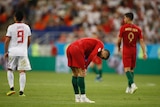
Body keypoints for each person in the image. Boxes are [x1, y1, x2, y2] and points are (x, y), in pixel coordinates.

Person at [66, 38, 110, 103]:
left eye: (102, 58)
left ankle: (77, 97)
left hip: (70, 48)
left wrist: (85, 65)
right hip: (77, 48)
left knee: (75, 73)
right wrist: (85, 67)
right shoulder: (100, 45)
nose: (101, 57)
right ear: (104, 51)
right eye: (103, 56)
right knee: (82, 73)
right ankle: (83, 97)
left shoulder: (92, 47)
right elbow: (92, 55)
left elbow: (87, 56)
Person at [117, 12, 147, 94]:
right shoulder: (138, 29)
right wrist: (144, 52)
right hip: (134, 50)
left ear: (128, 18)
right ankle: (129, 87)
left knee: (126, 69)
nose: (124, 19)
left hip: (126, 49)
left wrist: (118, 47)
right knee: (131, 69)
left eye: (124, 18)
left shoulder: (123, 28)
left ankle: (133, 85)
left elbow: (119, 40)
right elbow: (141, 41)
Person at [4, 10, 32, 96]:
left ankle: (12, 87)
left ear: (15, 17)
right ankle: (21, 91)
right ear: (23, 18)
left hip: (12, 51)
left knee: (10, 69)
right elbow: (29, 40)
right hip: (23, 52)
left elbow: (7, 40)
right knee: (22, 71)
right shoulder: (27, 27)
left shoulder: (11, 27)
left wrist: (6, 52)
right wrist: (25, 48)